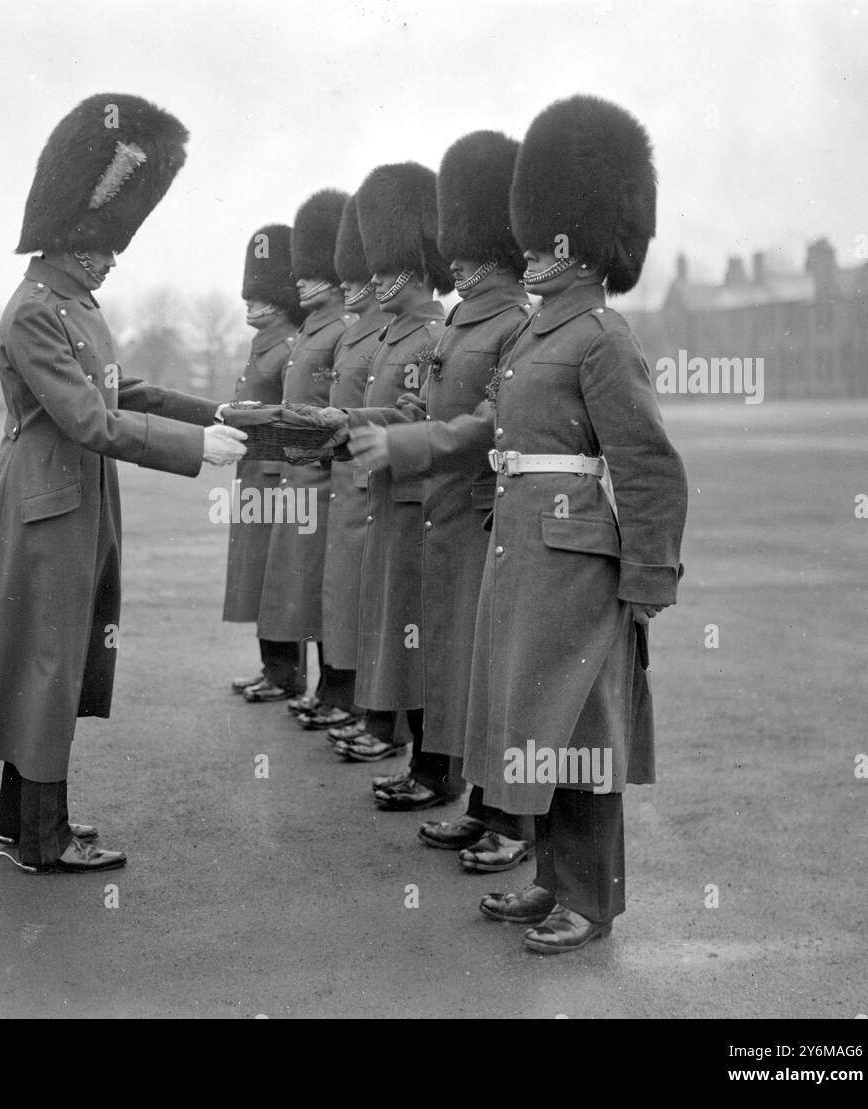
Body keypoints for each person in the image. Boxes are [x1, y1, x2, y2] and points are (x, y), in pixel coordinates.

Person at [0, 93, 247, 874]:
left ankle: (22, 823)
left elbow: (121, 391)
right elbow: (88, 420)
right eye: (103, 245)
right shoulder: (33, 312)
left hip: (75, 503)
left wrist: (217, 410)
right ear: (73, 237)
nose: (112, 258)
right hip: (47, 504)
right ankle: (42, 838)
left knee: (50, 665)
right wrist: (196, 447)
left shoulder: (73, 304)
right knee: (48, 665)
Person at [465, 95, 687, 952]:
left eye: (545, 237)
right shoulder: (534, 334)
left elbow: (649, 464)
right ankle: (551, 878)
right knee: (536, 726)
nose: (528, 248)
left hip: (578, 560)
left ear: (579, 245)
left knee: (583, 734)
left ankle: (589, 900)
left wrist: (650, 575)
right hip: (524, 551)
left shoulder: (601, 335)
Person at [349, 132, 534, 873]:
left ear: (493, 251)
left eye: (471, 250)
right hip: (444, 518)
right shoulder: (460, 321)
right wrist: (355, 426)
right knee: (456, 666)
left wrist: (409, 447)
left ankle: (504, 814)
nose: (453, 261)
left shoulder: (513, 322)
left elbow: (496, 422)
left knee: (490, 673)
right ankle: (474, 800)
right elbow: (423, 414)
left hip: (485, 517)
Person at [326, 163, 451, 770]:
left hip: (415, 500)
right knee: (390, 627)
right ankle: (397, 739)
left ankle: (417, 754)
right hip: (386, 494)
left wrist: (358, 424)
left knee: (412, 634)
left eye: (387, 266)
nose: (375, 279)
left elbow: (426, 416)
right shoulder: (393, 333)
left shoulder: (433, 332)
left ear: (420, 264)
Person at [247, 190, 353, 707]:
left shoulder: (341, 331)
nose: (300, 280)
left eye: (312, 272)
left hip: (326, 478)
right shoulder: (315, 328)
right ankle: (319, 689)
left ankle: (337, 693)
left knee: (327, 592)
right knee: (300, 589)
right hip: (298, 477)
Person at [313, 195, 389, 741]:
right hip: (343, 479)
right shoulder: (361, 329)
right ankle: (347, 697)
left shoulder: (379, 329)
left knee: (367, 603)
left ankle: (368, 708)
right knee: (342, 600)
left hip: (370, 481)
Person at [224, 223, 302, 695]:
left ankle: (285, 675)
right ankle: (274, 668)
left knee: (281, 578)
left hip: (278, 477)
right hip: (256, 475)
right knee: (261, 575)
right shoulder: (265, 348)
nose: (251, 302)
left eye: (263, 296)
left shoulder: (289, 349)